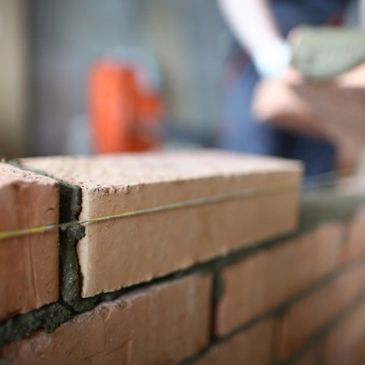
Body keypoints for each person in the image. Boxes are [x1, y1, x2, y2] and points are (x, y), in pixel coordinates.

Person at [218, 0, 353, 178]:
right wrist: (272, 57)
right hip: (261, 61)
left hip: (325, 70)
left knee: (315, 178)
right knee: (253, 171)